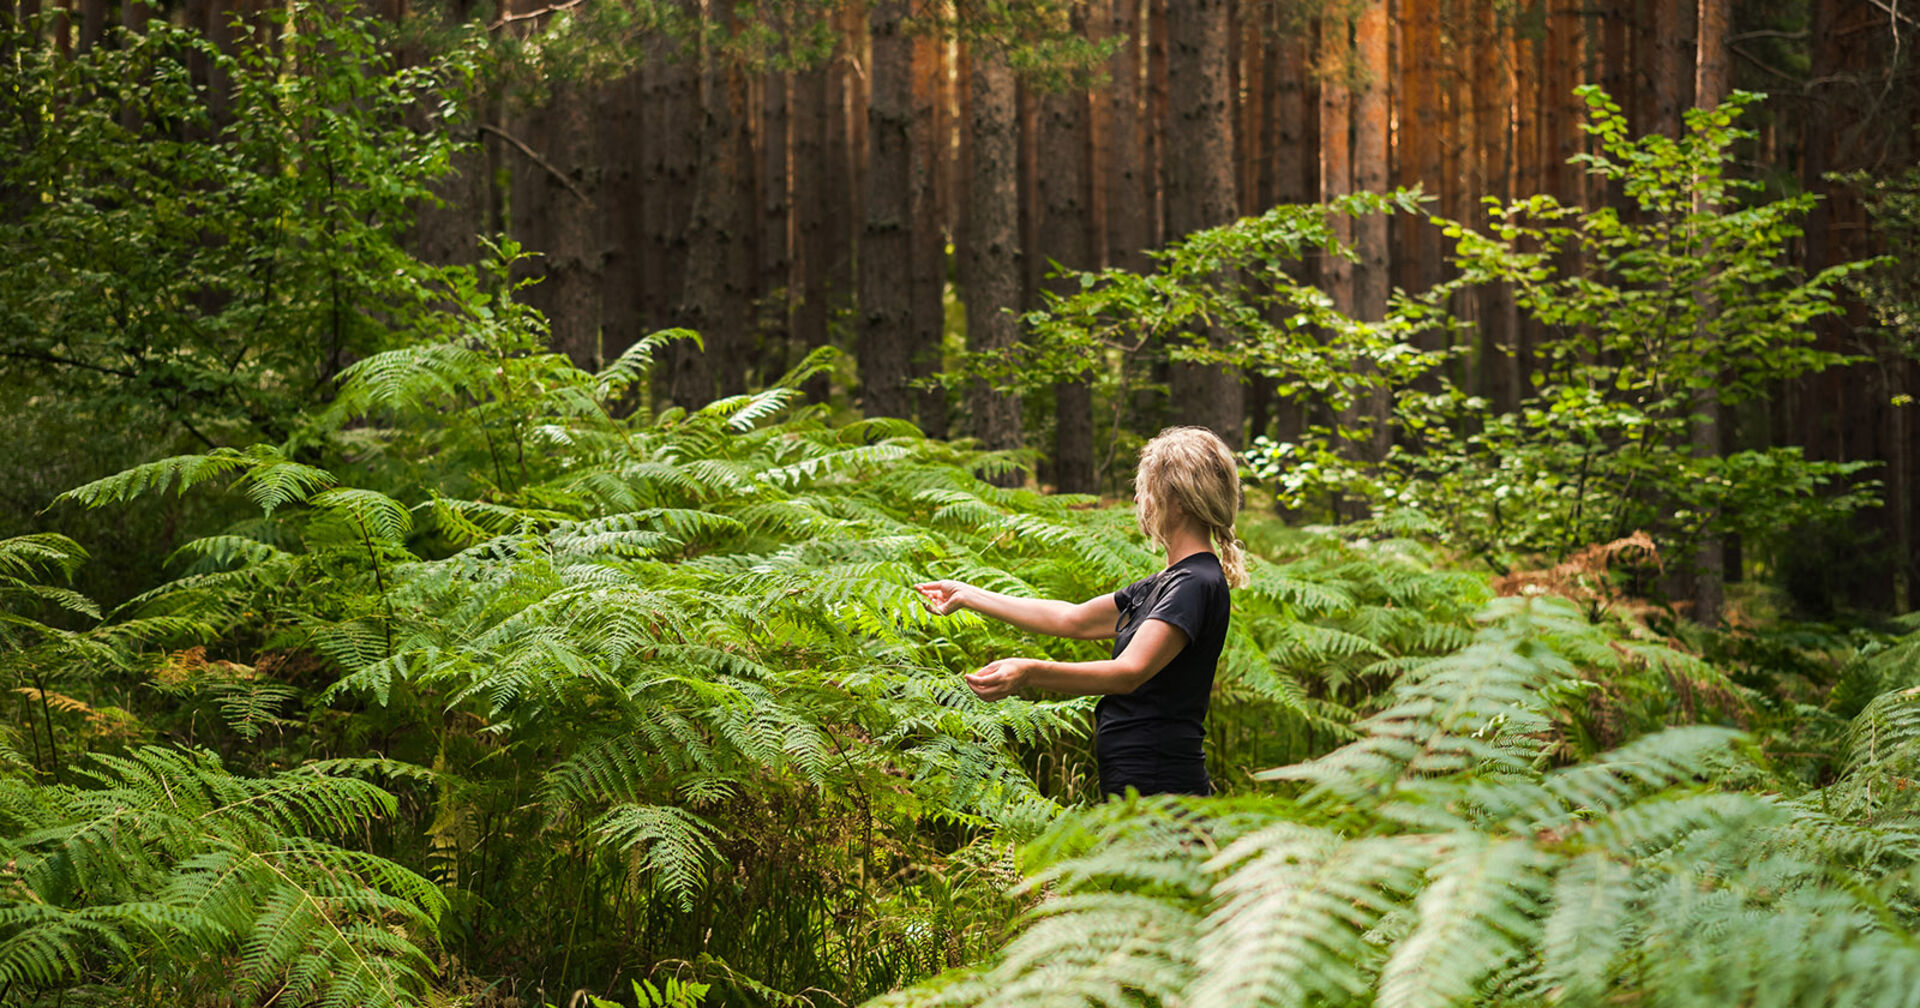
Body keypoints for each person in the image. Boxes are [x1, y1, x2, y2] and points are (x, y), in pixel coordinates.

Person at [915, 426, 1248, 798]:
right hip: (1141, 775)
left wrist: (1029, 672)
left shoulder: (1194, 583)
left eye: (1146, 487)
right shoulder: (1171, 581)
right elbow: (1072, 619)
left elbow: (1128, 673)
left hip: (1159, 779)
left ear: (1178, 498)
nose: (1139, 498)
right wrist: (967, 594)